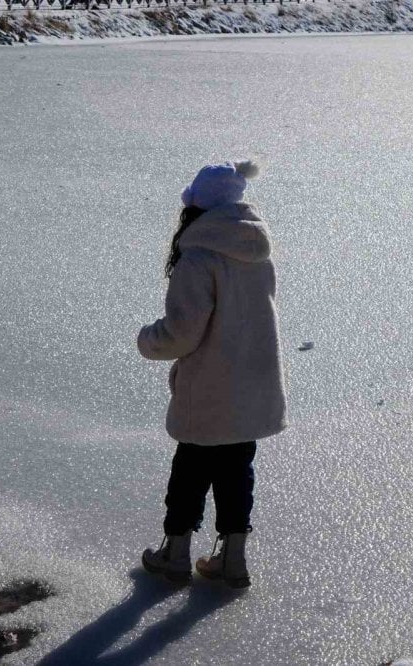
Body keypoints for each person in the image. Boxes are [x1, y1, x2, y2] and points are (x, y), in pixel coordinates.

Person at [137, 160, 287, 589]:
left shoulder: (199, 258)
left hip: (209, 386)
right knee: (237, 469)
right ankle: (233, 559)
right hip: (252, 381)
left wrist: (148, 340)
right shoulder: (257, 253)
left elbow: (182, 333)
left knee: (191, 469)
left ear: (196, 207)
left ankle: (175, 553)